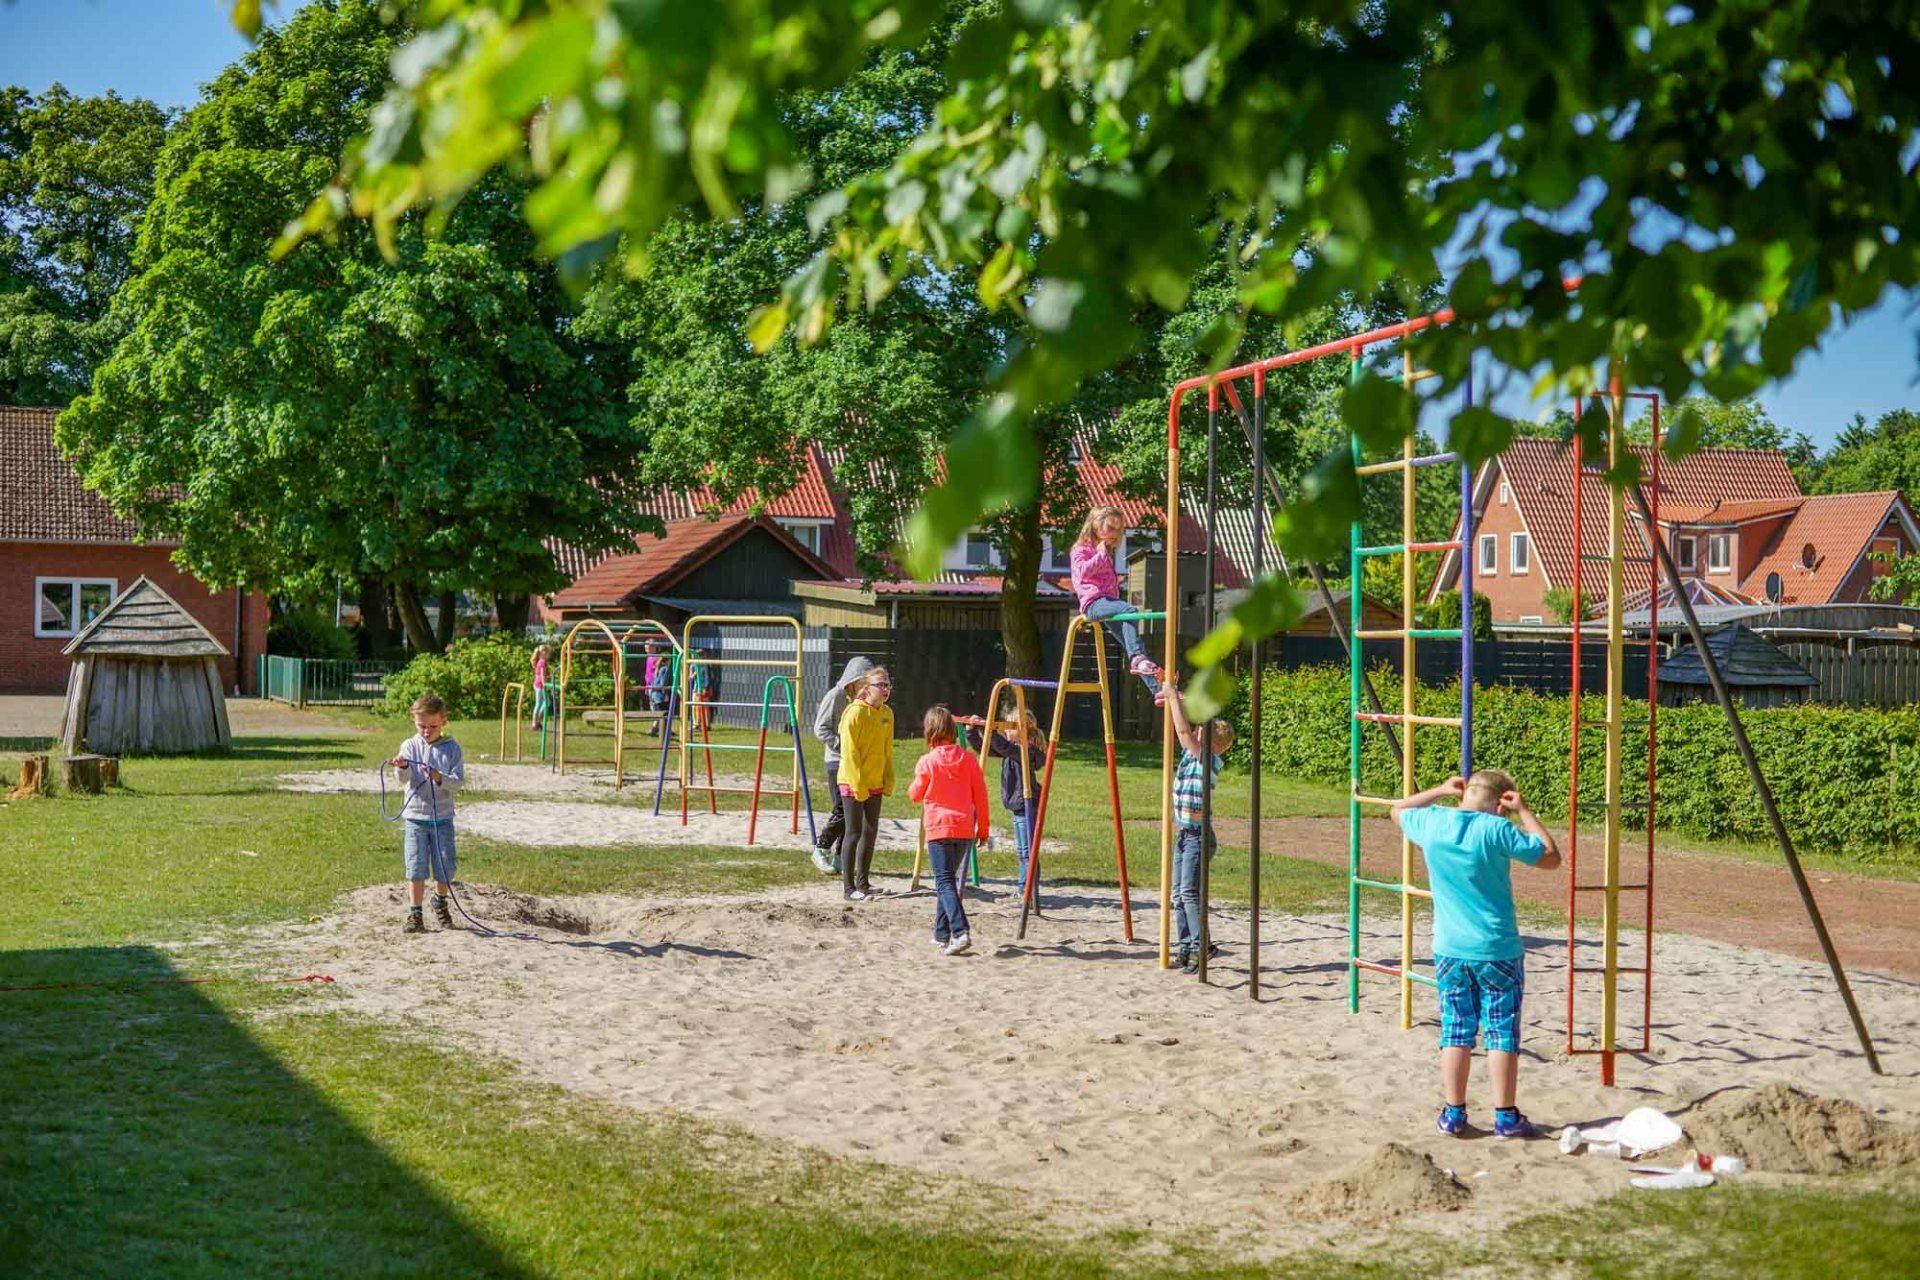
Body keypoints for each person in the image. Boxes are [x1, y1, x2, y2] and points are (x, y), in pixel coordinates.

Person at [1392, 770, 1562, 1140]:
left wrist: (1439, 790)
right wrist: (1526, 812)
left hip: (1450, 948)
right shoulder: (1496, 829)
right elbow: (1550, 857)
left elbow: (1398, 810)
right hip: (1497, 947)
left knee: (1455, 1030)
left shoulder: (1433, 822)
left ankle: (1454, 1112)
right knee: (1501, 1032)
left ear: (1463, 796)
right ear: (1501, 803)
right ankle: (1505, 1115)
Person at [907, 706, 991, 955]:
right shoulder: (968, 760)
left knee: (944, 882)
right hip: (964, 829)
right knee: (947, 882)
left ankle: (960, 930)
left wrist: (915, 783)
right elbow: (981, 796)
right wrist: (983, 827)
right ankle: (941, 933)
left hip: (939, 829)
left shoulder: (928, 762)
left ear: (930, 731)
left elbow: (915, 794)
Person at [1166, 681, 1233, 972]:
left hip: (1198, 837)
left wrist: (1171, 698)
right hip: (1184, 834)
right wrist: (1177, 699)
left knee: (1189, 893)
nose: (1193, 732)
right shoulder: (1190, 756)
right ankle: (1186, 946)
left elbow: (1182, 732)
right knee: (1178, 894)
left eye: (1200, 733)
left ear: (1213, 745)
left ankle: (1201, 945)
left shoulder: (1208, 760)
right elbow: (1183, 729)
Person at [391, 693, 466, 934]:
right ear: (414, 721)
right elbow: (403, 780)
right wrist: (402, 768)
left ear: (444, 721)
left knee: (445, 865)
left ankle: (440, 901)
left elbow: (457, 782)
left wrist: (438, 777)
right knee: (415, 867)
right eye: (421, 726)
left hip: (442, 818)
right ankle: (415, 914)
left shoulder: (452, 749)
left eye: (432, 726)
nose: (426, 731)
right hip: (415, 818)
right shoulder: (409, 746)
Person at [1070, 505, 1162, 696]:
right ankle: (1138, 660)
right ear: (1095, 525)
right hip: (1093, 604)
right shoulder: (1081, 549)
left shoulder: (1104, 551)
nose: (1114, 534)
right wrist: (1101, 554)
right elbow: (1083, 572)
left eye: (1118, 530)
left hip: (1107, 603)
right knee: (1130, 611)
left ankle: (1157, 690)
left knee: (1134, 647)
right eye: (1111, 528)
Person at [966, 706, 1047, 905]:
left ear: (1022, 729)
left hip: (1028, 805)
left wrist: (990, 730)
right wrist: (972, 731)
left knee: (1027, 852)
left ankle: (1027, 892)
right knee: (1023, 852)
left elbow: (1002, 746)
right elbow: (986, 748)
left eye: (1008, 727)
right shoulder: (1013, 751)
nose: (1005, 731)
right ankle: (1024, 890)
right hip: (1018, 805)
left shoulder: (1027, 751)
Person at [811, 656, 876, 876]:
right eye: (863, 682)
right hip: (836, 760)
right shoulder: (836, 696)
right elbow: (820, 729)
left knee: (853, 811)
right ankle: (821, 848)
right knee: (842, 809)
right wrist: (841, 744)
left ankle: (841, 856)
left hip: (856, 763)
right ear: (853, 680)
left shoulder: (861, 702)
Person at [835, 666, 895, 901]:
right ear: (866, 688)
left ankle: (863, 883)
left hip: (875, 781)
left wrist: (888, 777)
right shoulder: (854, 713)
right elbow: (849, 753)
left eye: (888, 684)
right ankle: (849, 889)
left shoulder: (887, 714)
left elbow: (887, 750)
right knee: (853, 832)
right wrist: (858, 784)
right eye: (880, 684)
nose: (885, 689)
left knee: (870, 833)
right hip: (852, 781)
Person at [690, 643, 721, 735]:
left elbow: (707, 677)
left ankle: (705, 724)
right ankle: (698, 723)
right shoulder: (694, 665)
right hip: (696, 688)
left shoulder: (704, 665)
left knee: (704, 707)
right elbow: (691, 677)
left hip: (702, 688)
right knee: (695, 707)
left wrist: (706, 687)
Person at [529, 643, 552, 731]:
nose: (549, 655)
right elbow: (542, 674)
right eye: (548, 653)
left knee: (547, 703)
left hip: (539, 684)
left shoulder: (541, 661)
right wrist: (544, 683)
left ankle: (538, 721)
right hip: (540, 685)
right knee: (539, 704)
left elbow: (543, 674)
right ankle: (534, 723)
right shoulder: (542, 661)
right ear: (544, 653)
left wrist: (548, 677)